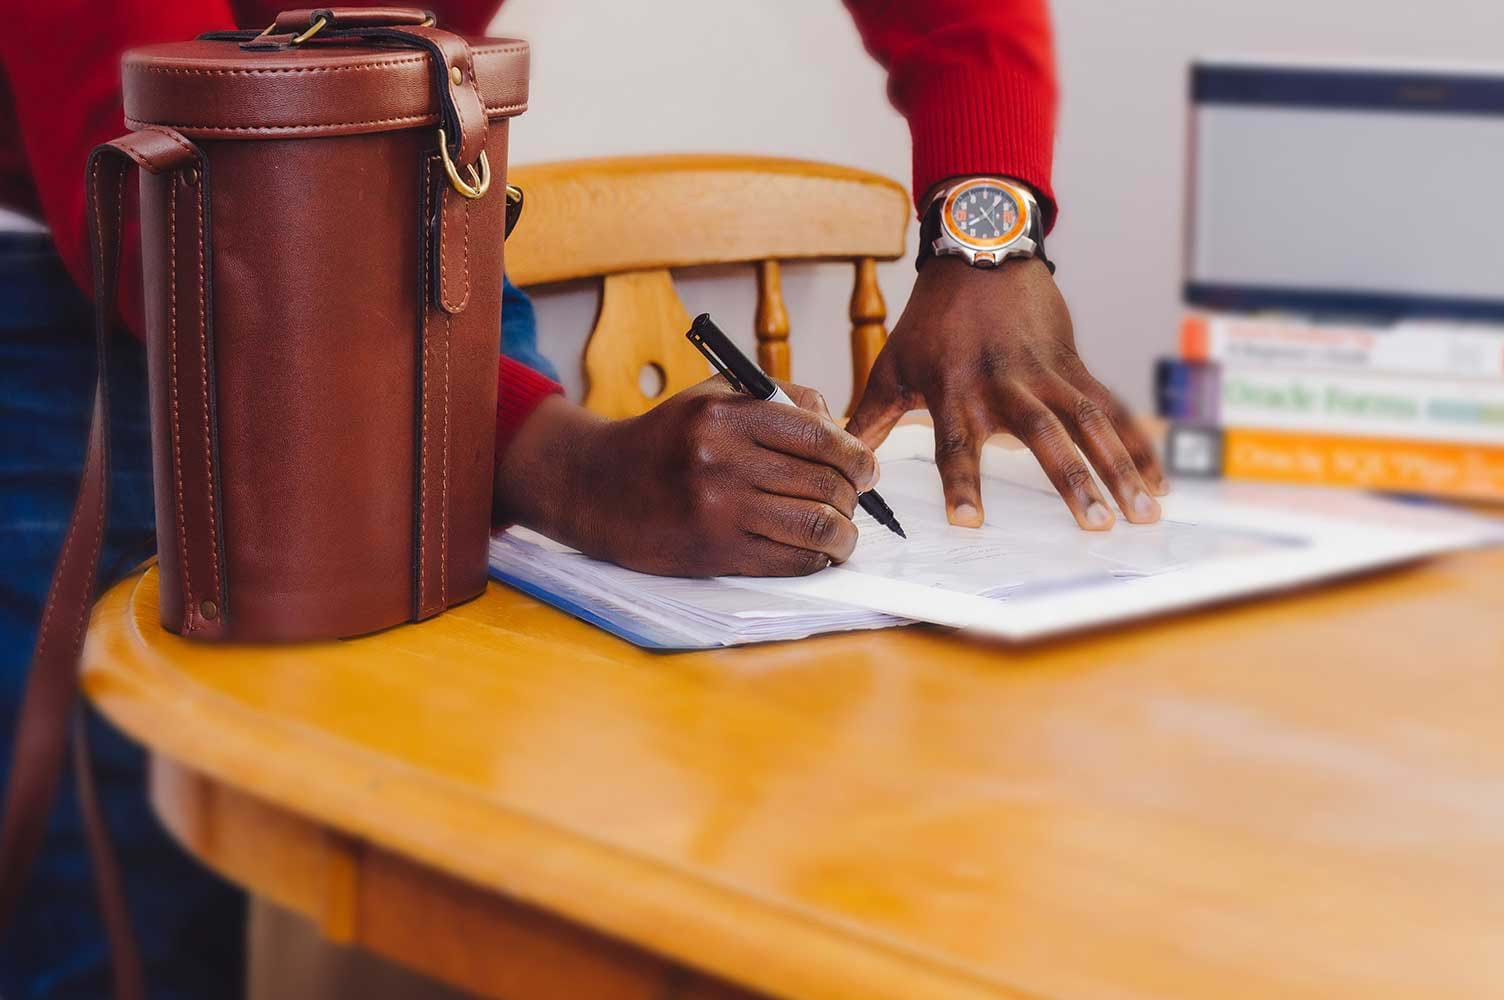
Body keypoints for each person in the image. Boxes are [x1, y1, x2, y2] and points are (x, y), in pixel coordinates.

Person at [0, 0, 1165, 995]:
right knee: (114, 906)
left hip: (404, 201)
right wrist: (567, 467)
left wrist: (986, 230)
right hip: (92, 262)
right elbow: (140, 181)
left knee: (492, 832)